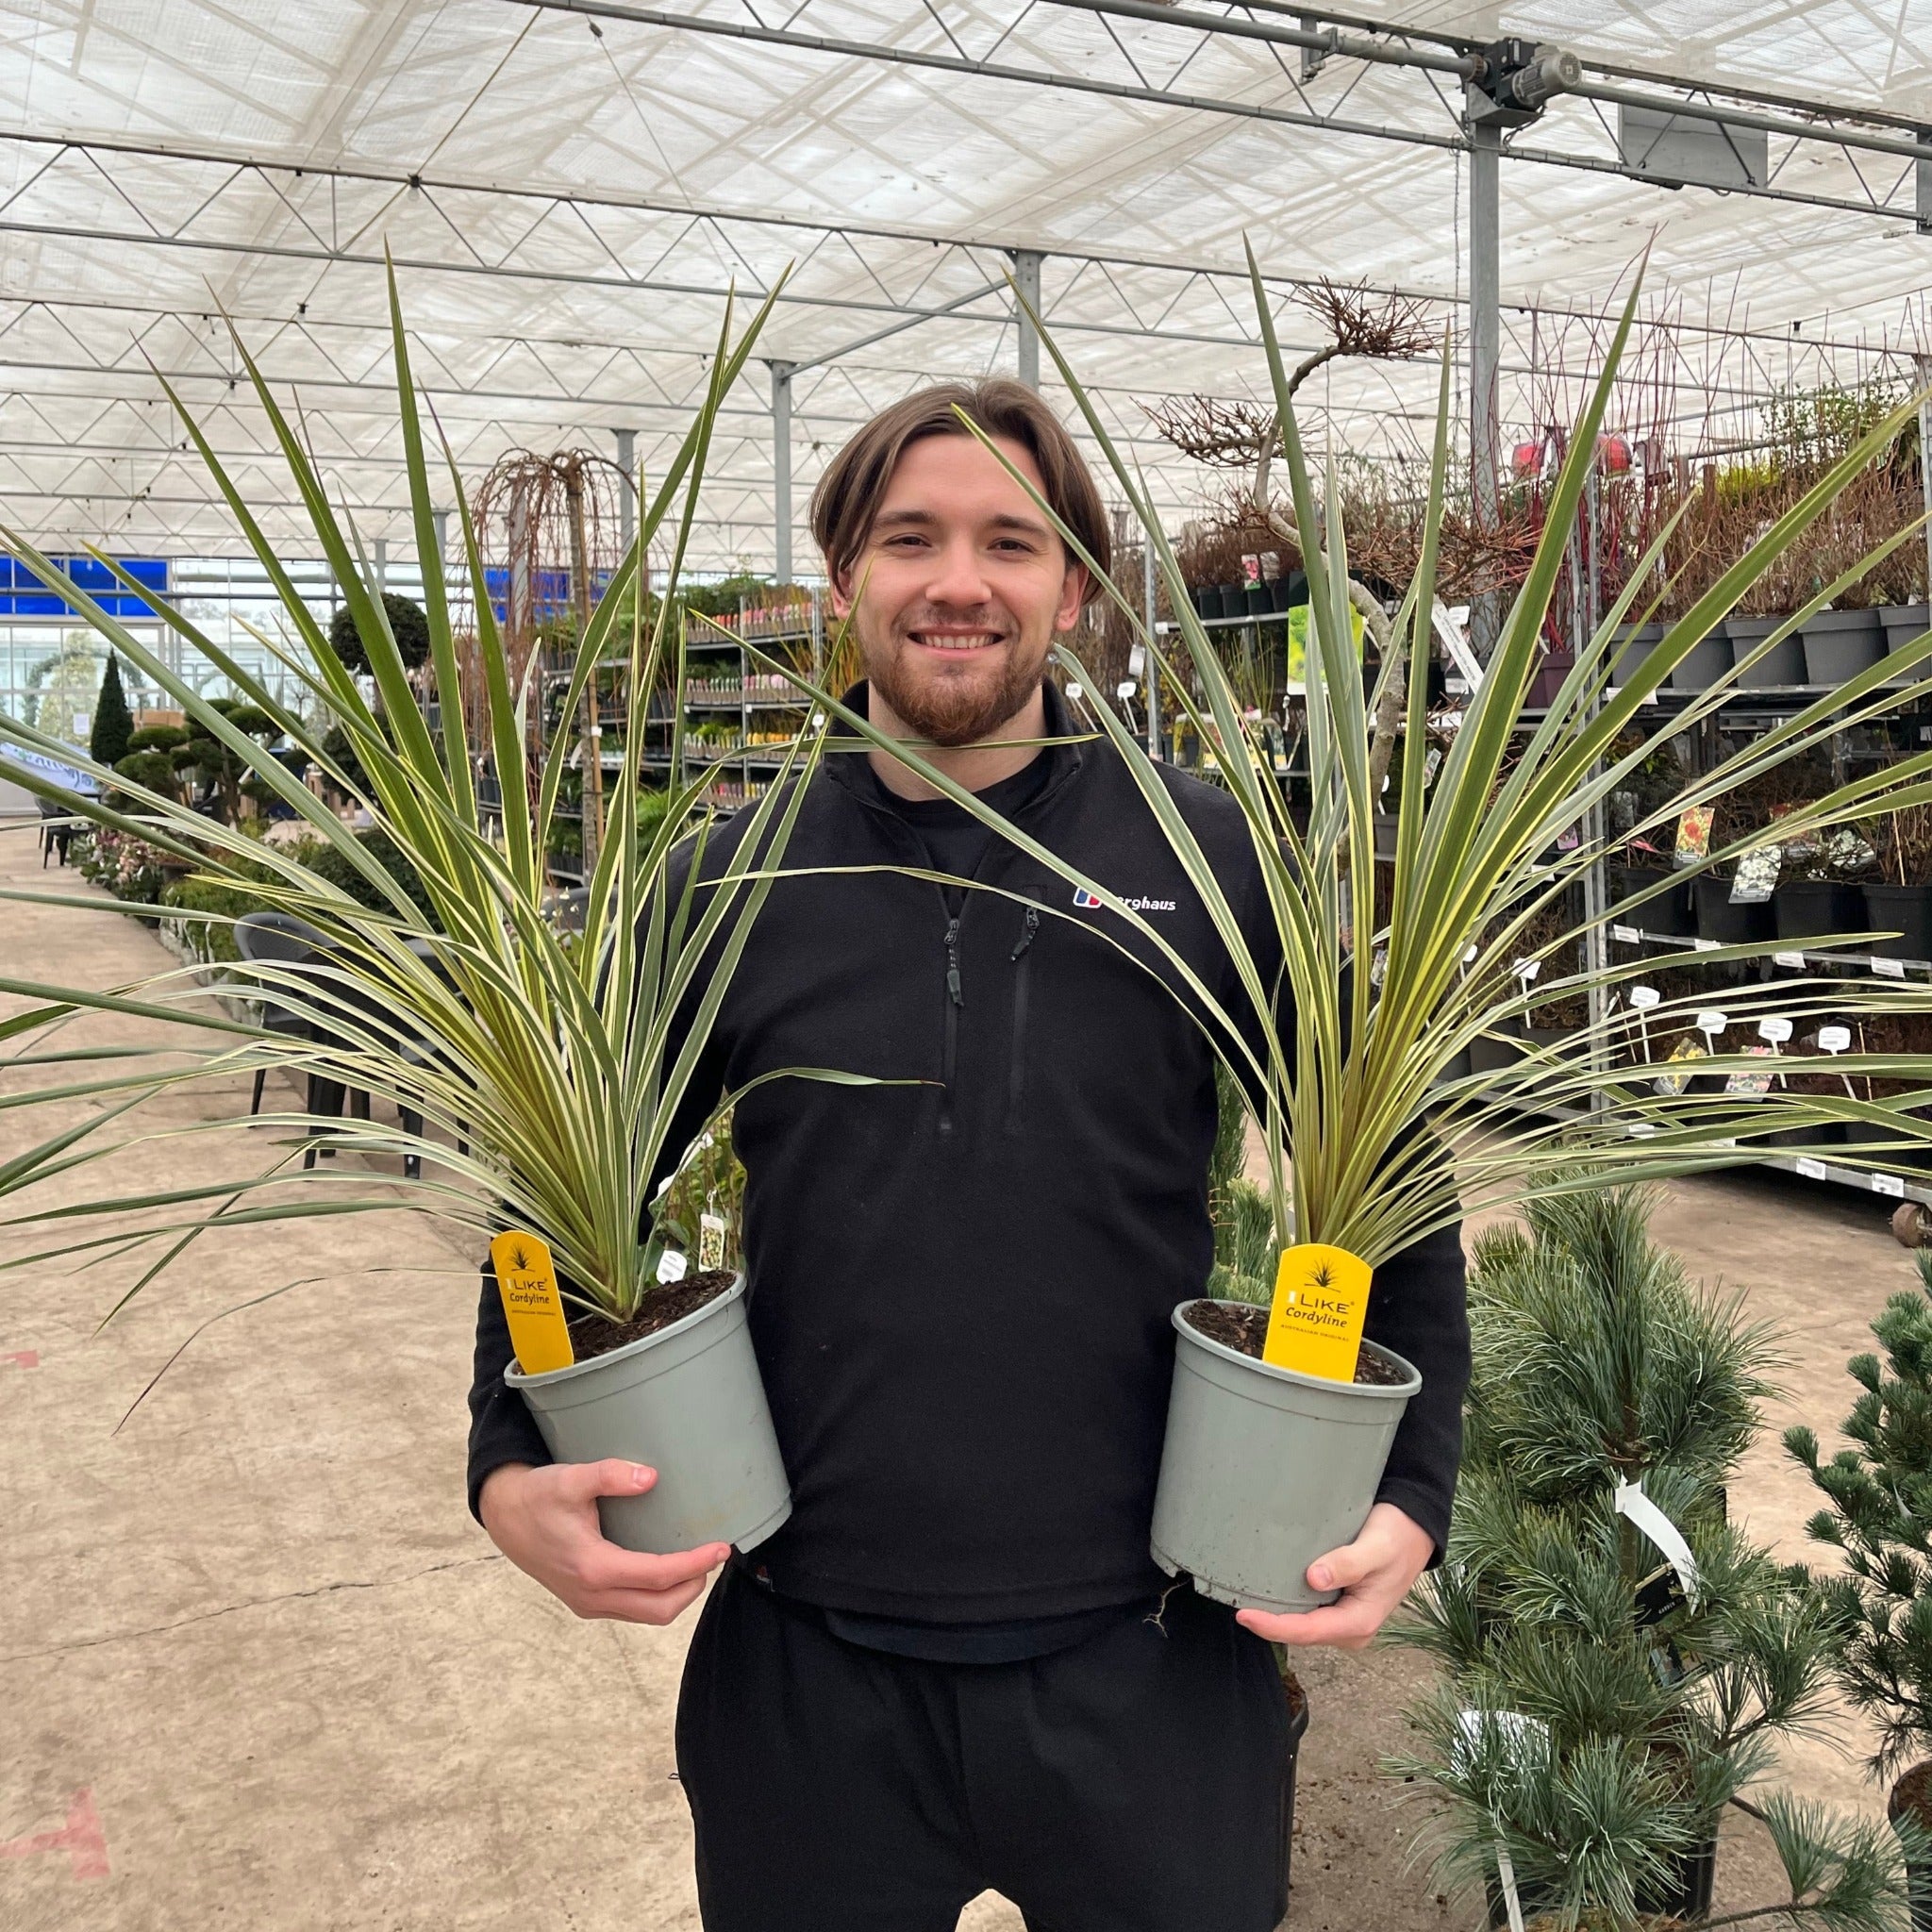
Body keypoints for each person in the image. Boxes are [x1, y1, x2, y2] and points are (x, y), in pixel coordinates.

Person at [467, 379, 1469, 1932]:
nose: (958, 581)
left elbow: (1395, 1163)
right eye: (909, 537)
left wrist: (1414, 1485)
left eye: (1012, 541)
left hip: (1154, 1653)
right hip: (807, 1669)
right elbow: (555, 1189)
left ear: (1075, 588)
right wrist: (503, 1460)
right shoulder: (727, 879)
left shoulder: (1208, 859)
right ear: (843, 575)